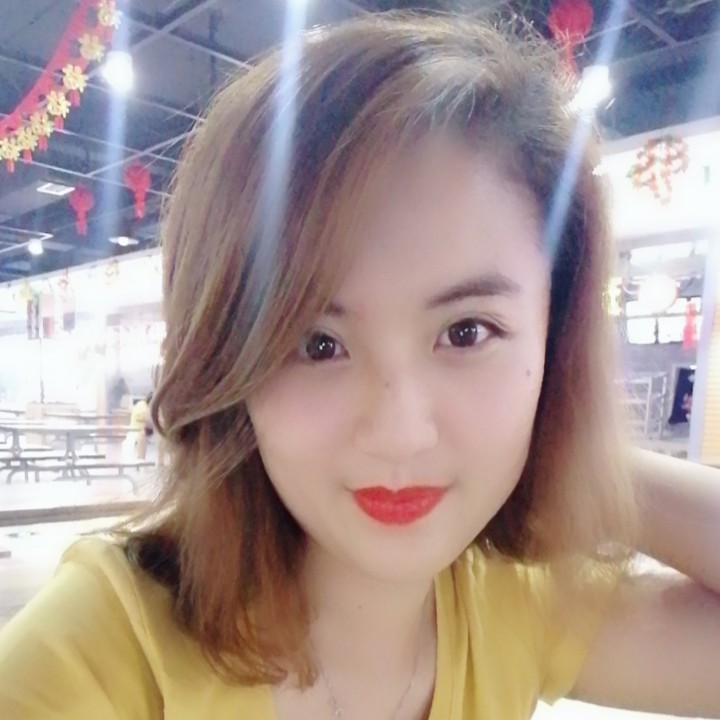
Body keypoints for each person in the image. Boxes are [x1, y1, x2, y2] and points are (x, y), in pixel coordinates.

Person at [1, 12, 719, 719]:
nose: (399, 434)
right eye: (317, 344)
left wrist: (568, 452)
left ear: (552, 341)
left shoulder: (511, 601)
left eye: (467, 332)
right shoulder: (97, 661)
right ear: (229, 361)